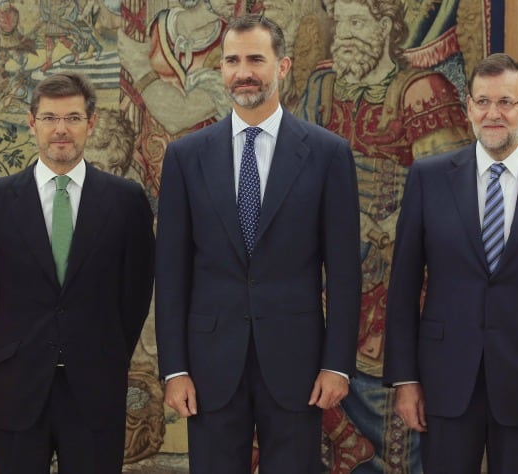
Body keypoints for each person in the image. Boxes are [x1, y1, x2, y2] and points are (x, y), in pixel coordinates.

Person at [155, 14, 361, 473]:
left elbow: (346, 273)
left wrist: (337, 365)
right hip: (209, 367)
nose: (243, 71)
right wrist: (175, 369)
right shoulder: (186, 157)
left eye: (255, 59)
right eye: (232, 60)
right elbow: (170, 274)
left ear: (283, 66)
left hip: (298, 364)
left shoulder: (328, 154)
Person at [383, 53, 518, 473]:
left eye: (505, 102)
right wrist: (405, 380)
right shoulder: (428, 178)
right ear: (468, 107)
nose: (493, 114)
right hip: (444, 383)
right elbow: (403, 287)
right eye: (482, 102)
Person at [298, 0, 470, 470]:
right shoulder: (322, 86)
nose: (344, 33)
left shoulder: (421, 92)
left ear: (387, 26)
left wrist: (386, 228)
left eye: (357, 22)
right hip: (324, 285)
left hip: (391, 289)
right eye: (340, 22)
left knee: (388, 429)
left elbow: (454, 198)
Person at [0, 72, 155, 474]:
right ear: (32, 123)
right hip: (17, 386)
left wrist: (106, 350)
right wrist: (12, 349)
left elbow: (135, 293)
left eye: (72, 118)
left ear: (91, 122)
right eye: (49, 118)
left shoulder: (126, 201)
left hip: (96, 387)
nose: (61, 130)